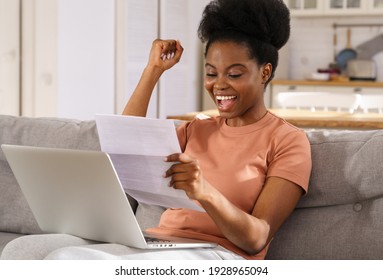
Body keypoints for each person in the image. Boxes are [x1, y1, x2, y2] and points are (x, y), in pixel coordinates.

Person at [1, 0, 311, 260]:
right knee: (41, 254)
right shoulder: (195, 131)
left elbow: (257, 237)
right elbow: (123, 145)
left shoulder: (287, 141)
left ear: (265, 72)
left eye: (234, 73)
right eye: (211, 73)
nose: (219, 85)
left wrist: (205, 192)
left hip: (219, 255)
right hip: (156, 244)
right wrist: (152, 71)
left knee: (72, 262)